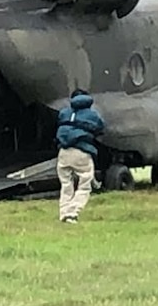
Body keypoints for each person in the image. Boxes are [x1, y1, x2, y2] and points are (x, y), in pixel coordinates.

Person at [55, 89, 105, 223]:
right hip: (81, 152)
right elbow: (101, 127)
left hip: (63, 153)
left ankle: (63, 213)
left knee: (66, 185)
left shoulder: (64, 113)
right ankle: (72, 212)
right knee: (84, 186)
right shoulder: (92, 115)